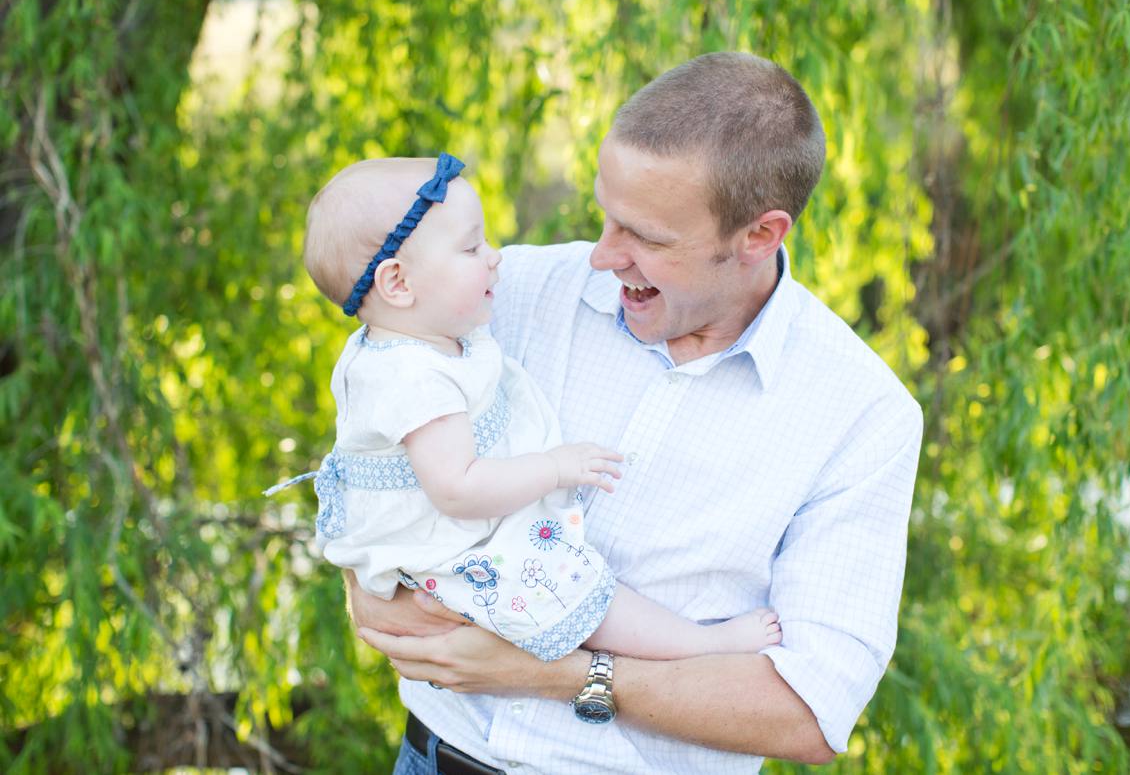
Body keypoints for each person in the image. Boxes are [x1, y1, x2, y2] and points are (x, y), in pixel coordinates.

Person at [351, 52, 923, 774]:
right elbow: (373, 435)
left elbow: (807, 711)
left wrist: (557, 672)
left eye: (646, 238)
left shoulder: (861, 415)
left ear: (760, 237)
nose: (600, 255)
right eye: (606, 216)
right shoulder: (512, 293)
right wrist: (368, 582)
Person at [276, 154, 783, 667]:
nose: (496, 258)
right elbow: (458, 488)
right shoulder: (414, 379)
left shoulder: (419, 334)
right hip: (450, 544)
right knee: (576, 591)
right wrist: (556, 467)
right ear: (399, 285)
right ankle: (702, 644)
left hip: (455, 529)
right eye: (472, 247)